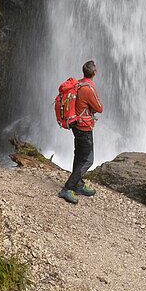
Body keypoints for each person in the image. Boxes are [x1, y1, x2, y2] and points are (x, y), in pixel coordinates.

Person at [59, 60, 103, 205]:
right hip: (84, 128)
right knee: (88, 159)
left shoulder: (77, 84)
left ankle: (78, 185)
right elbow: (99, 108)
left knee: (79, 155)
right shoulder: (88, 89)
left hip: (75, 125)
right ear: (94, 73)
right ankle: (68, 187)